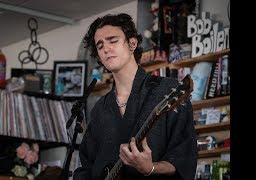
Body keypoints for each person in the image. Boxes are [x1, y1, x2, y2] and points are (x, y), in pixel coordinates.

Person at [73, 13, 197, 180]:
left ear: (132, 43)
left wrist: (150, 168)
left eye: (113, 40)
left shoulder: (168, 90)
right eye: (100, 45)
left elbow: (184, 159)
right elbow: (86, 167)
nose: (106, 49)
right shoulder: (99, 109)